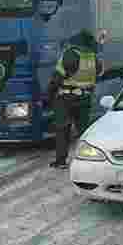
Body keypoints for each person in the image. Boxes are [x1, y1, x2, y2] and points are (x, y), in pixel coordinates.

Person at [47, 29, 104, 169]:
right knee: (84, 131)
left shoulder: (71, 55)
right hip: (85, 98)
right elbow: (98, 74)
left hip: (66, 98)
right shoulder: (93, 57)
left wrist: (48, 96)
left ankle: (61, 161)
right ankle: (91, 159)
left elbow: (57, 78)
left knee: (62, 129)